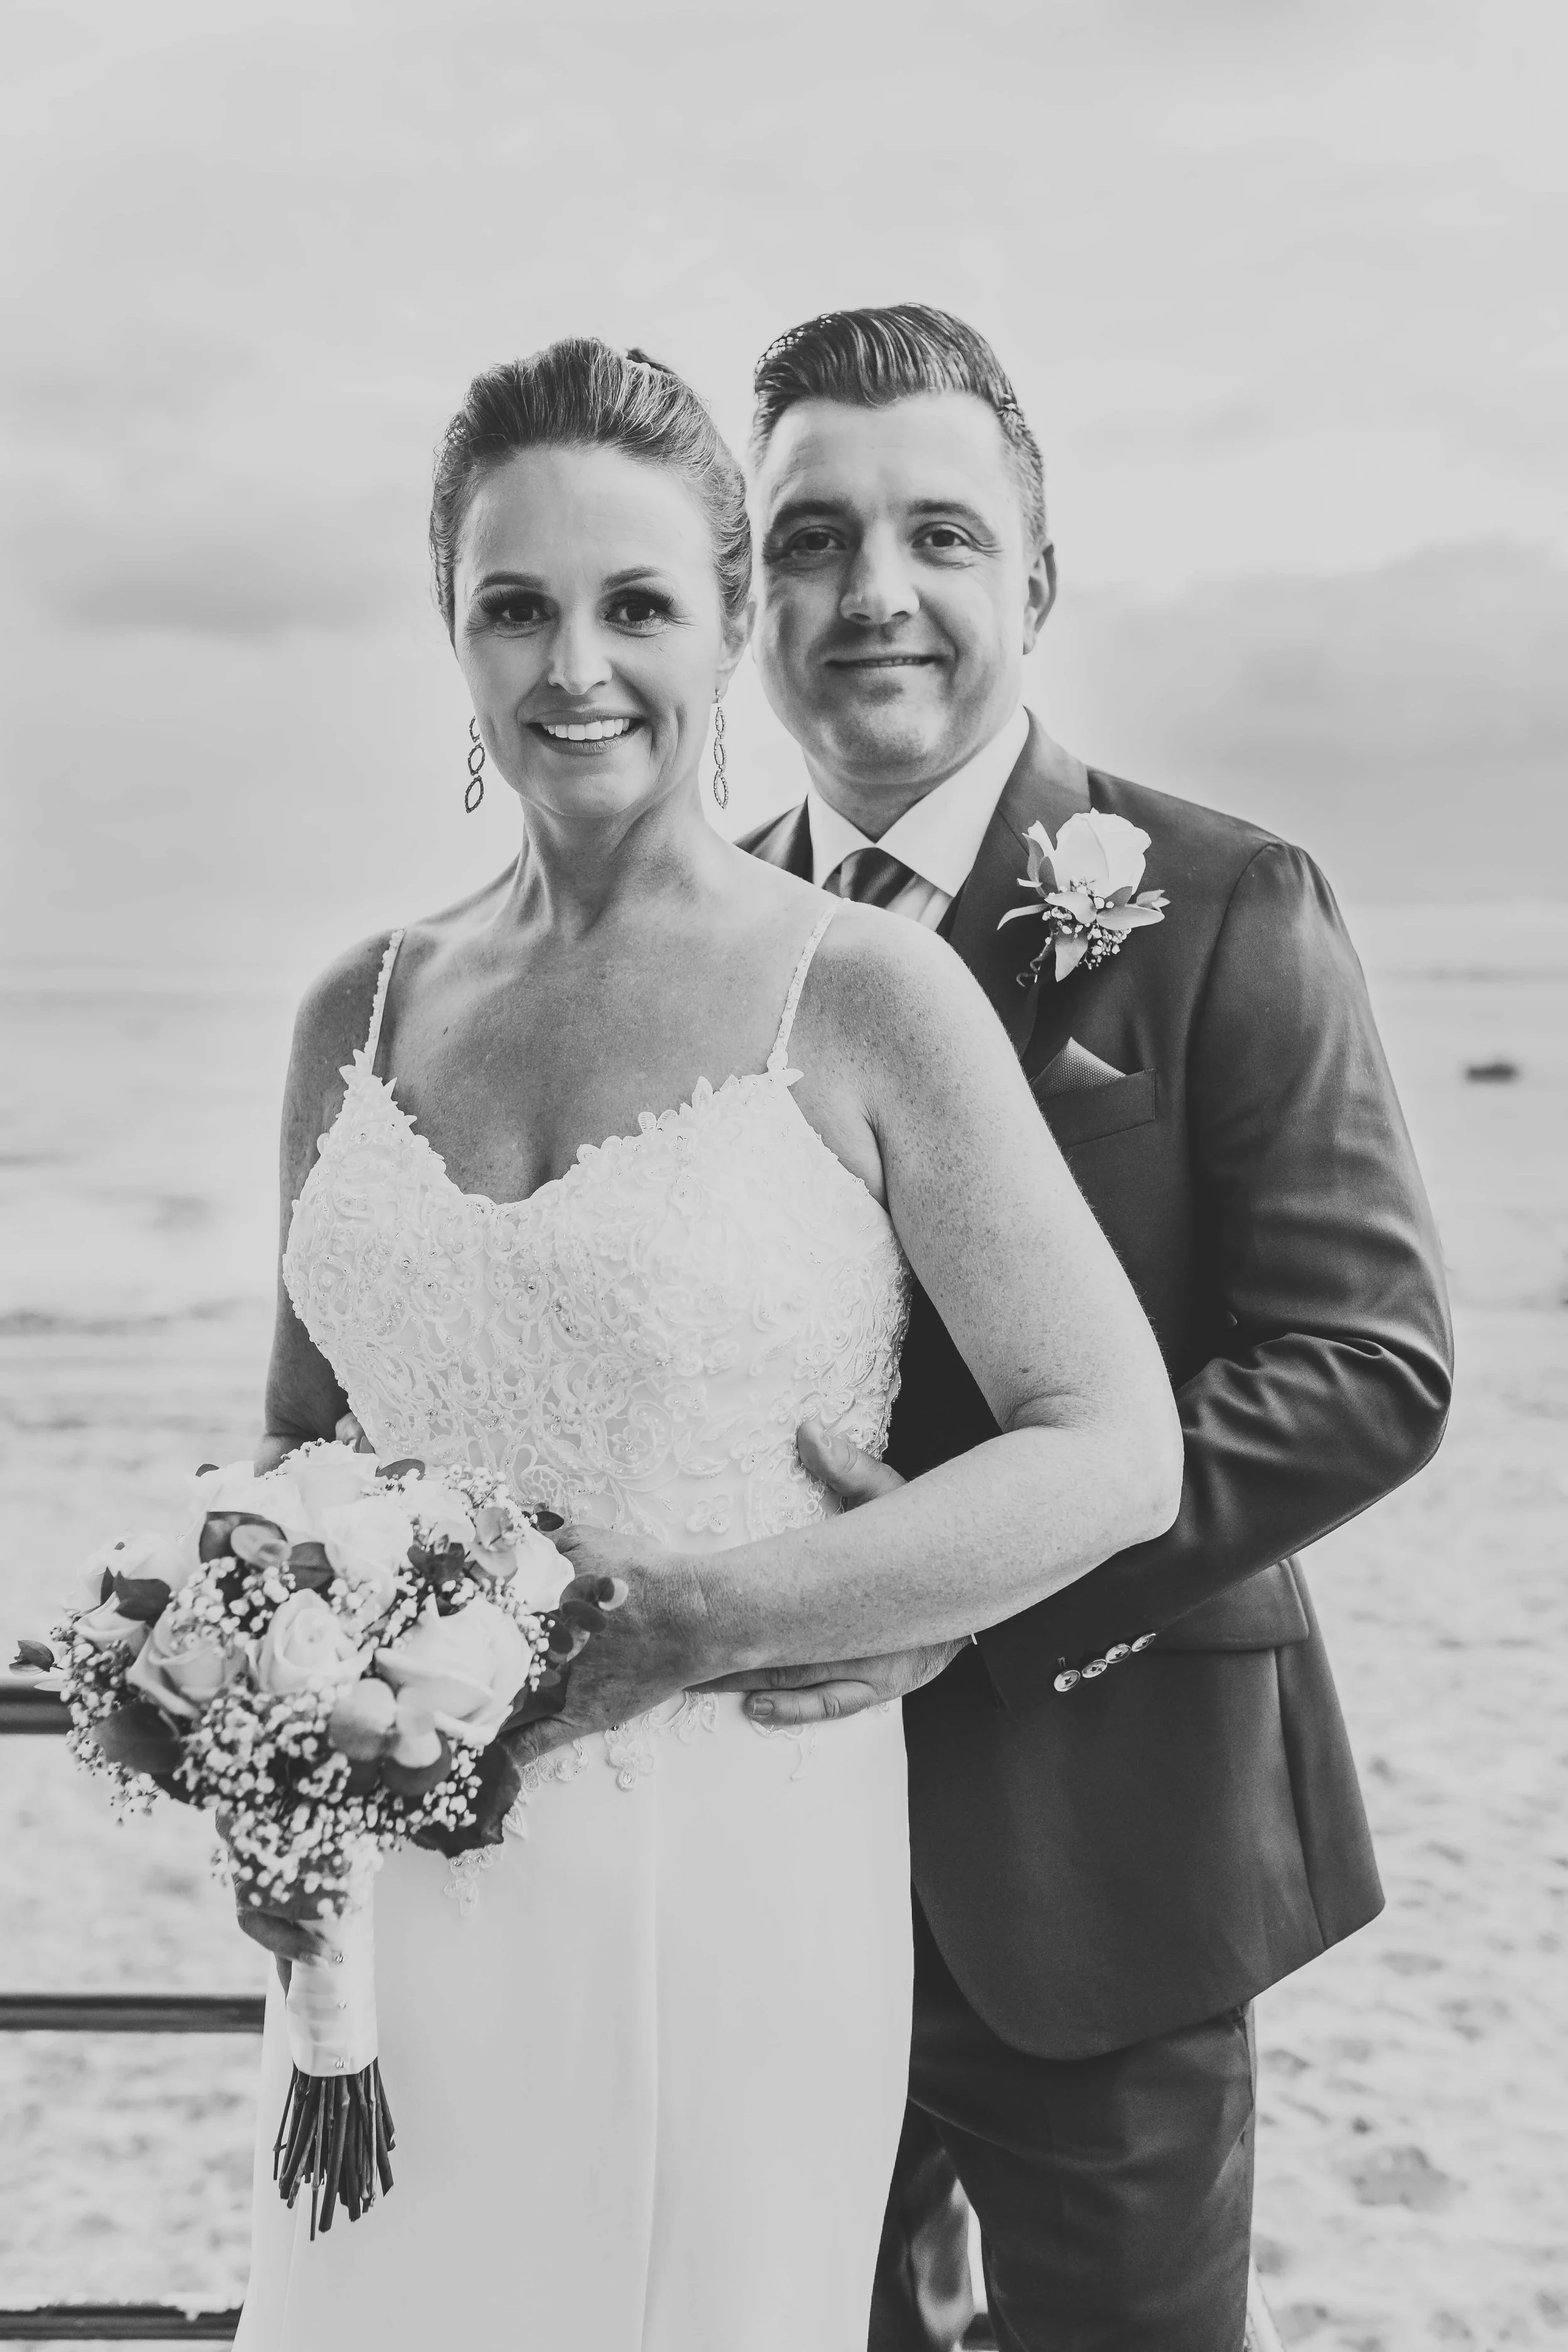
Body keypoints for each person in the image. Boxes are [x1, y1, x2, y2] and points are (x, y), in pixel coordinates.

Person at [235, 337, 1181, 2352]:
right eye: (518, 606)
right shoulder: (353, 1008)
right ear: (453, 632)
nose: (576, 666)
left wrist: (714, 1612)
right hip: (392, 1913)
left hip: (736, 1864)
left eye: (637, 604)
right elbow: (297, 1458)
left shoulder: (865, 998)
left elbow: (1109, 1442)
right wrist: (257, 1771)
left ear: (732, 621)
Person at [735, 305, 1454, 2352]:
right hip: (764, 1845)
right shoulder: (699, 938)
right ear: (744, 589)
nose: (874, 593)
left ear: (1032, 582)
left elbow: (1365, 1360)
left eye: (939, 536)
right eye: (810, 539)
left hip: (1107, 1840)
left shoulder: (1223, 904)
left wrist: (978, 1567)